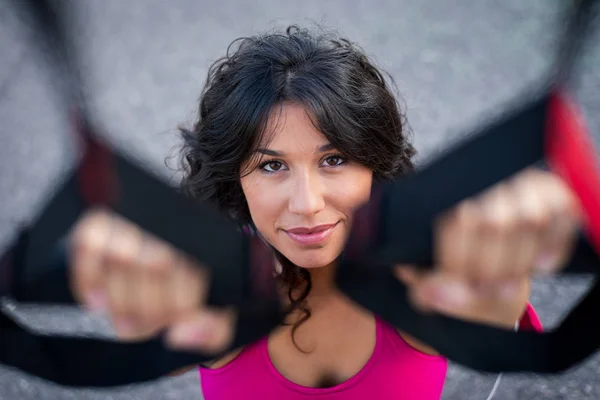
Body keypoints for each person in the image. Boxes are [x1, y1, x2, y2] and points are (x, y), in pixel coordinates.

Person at [68, 26, 581, 399]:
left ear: (374, 167)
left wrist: (506, 260)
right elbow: (159, 339)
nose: (307, 203)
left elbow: (492, 309)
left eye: (334, 159)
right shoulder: (219, 292)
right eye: (271, 166)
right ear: (235, 180)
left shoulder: (422, 279)